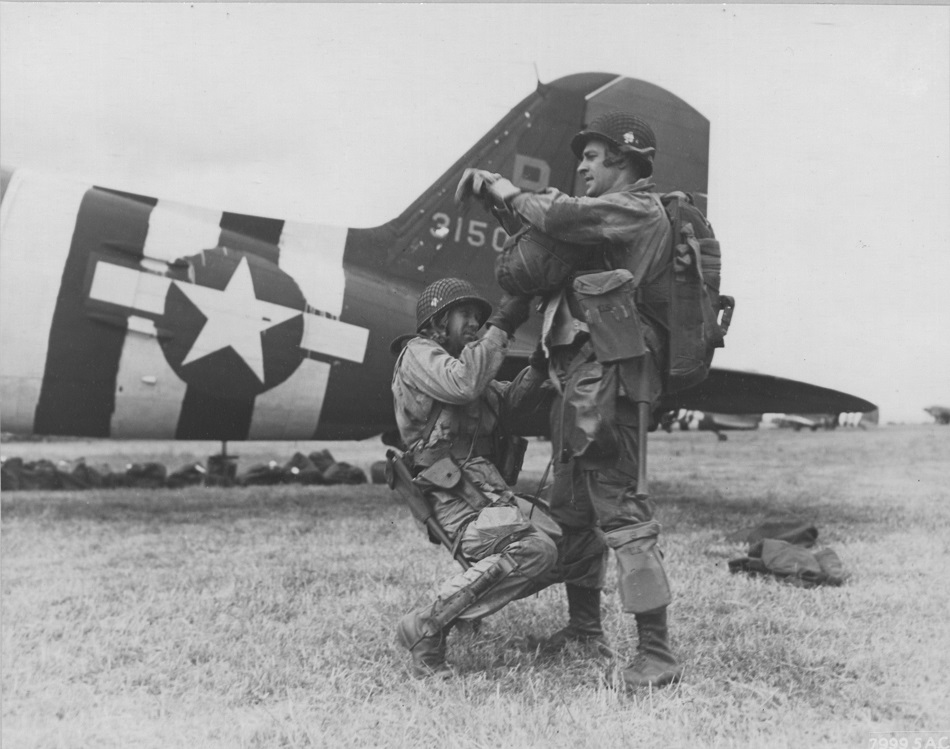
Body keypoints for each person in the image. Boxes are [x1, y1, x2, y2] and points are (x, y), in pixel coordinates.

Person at [464, 111, 683, 690]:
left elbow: (560, 215)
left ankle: (656, 655)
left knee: (623, 516)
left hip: (611, 389)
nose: (581, 166)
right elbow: (546, 246)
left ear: (626, 160)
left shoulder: (638, 209)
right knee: (574, 516)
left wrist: (512, 189)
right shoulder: (599, 231)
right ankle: (586, 630)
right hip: (579, 383)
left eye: (591, 156)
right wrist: (498, 203)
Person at [390, 277, 557, 678]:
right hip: (453, 502)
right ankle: (426, 625)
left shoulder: (467, 366)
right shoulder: (417, 354)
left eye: (480, 318)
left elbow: (510, 405)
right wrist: (502, 325)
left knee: (571, 543)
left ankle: (462, 606)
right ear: (437, 319)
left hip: (485, 496)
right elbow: (462, 385)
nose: (474, 323)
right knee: (535, 549)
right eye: (465, 314)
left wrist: (540, 363)